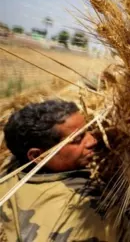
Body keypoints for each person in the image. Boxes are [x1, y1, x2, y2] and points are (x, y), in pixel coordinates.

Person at [0, 99, 121, 241]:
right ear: (38, 155)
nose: (92, 140)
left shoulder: (14, 167)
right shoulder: (78, 213)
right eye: (77, 139)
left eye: (87, 130)